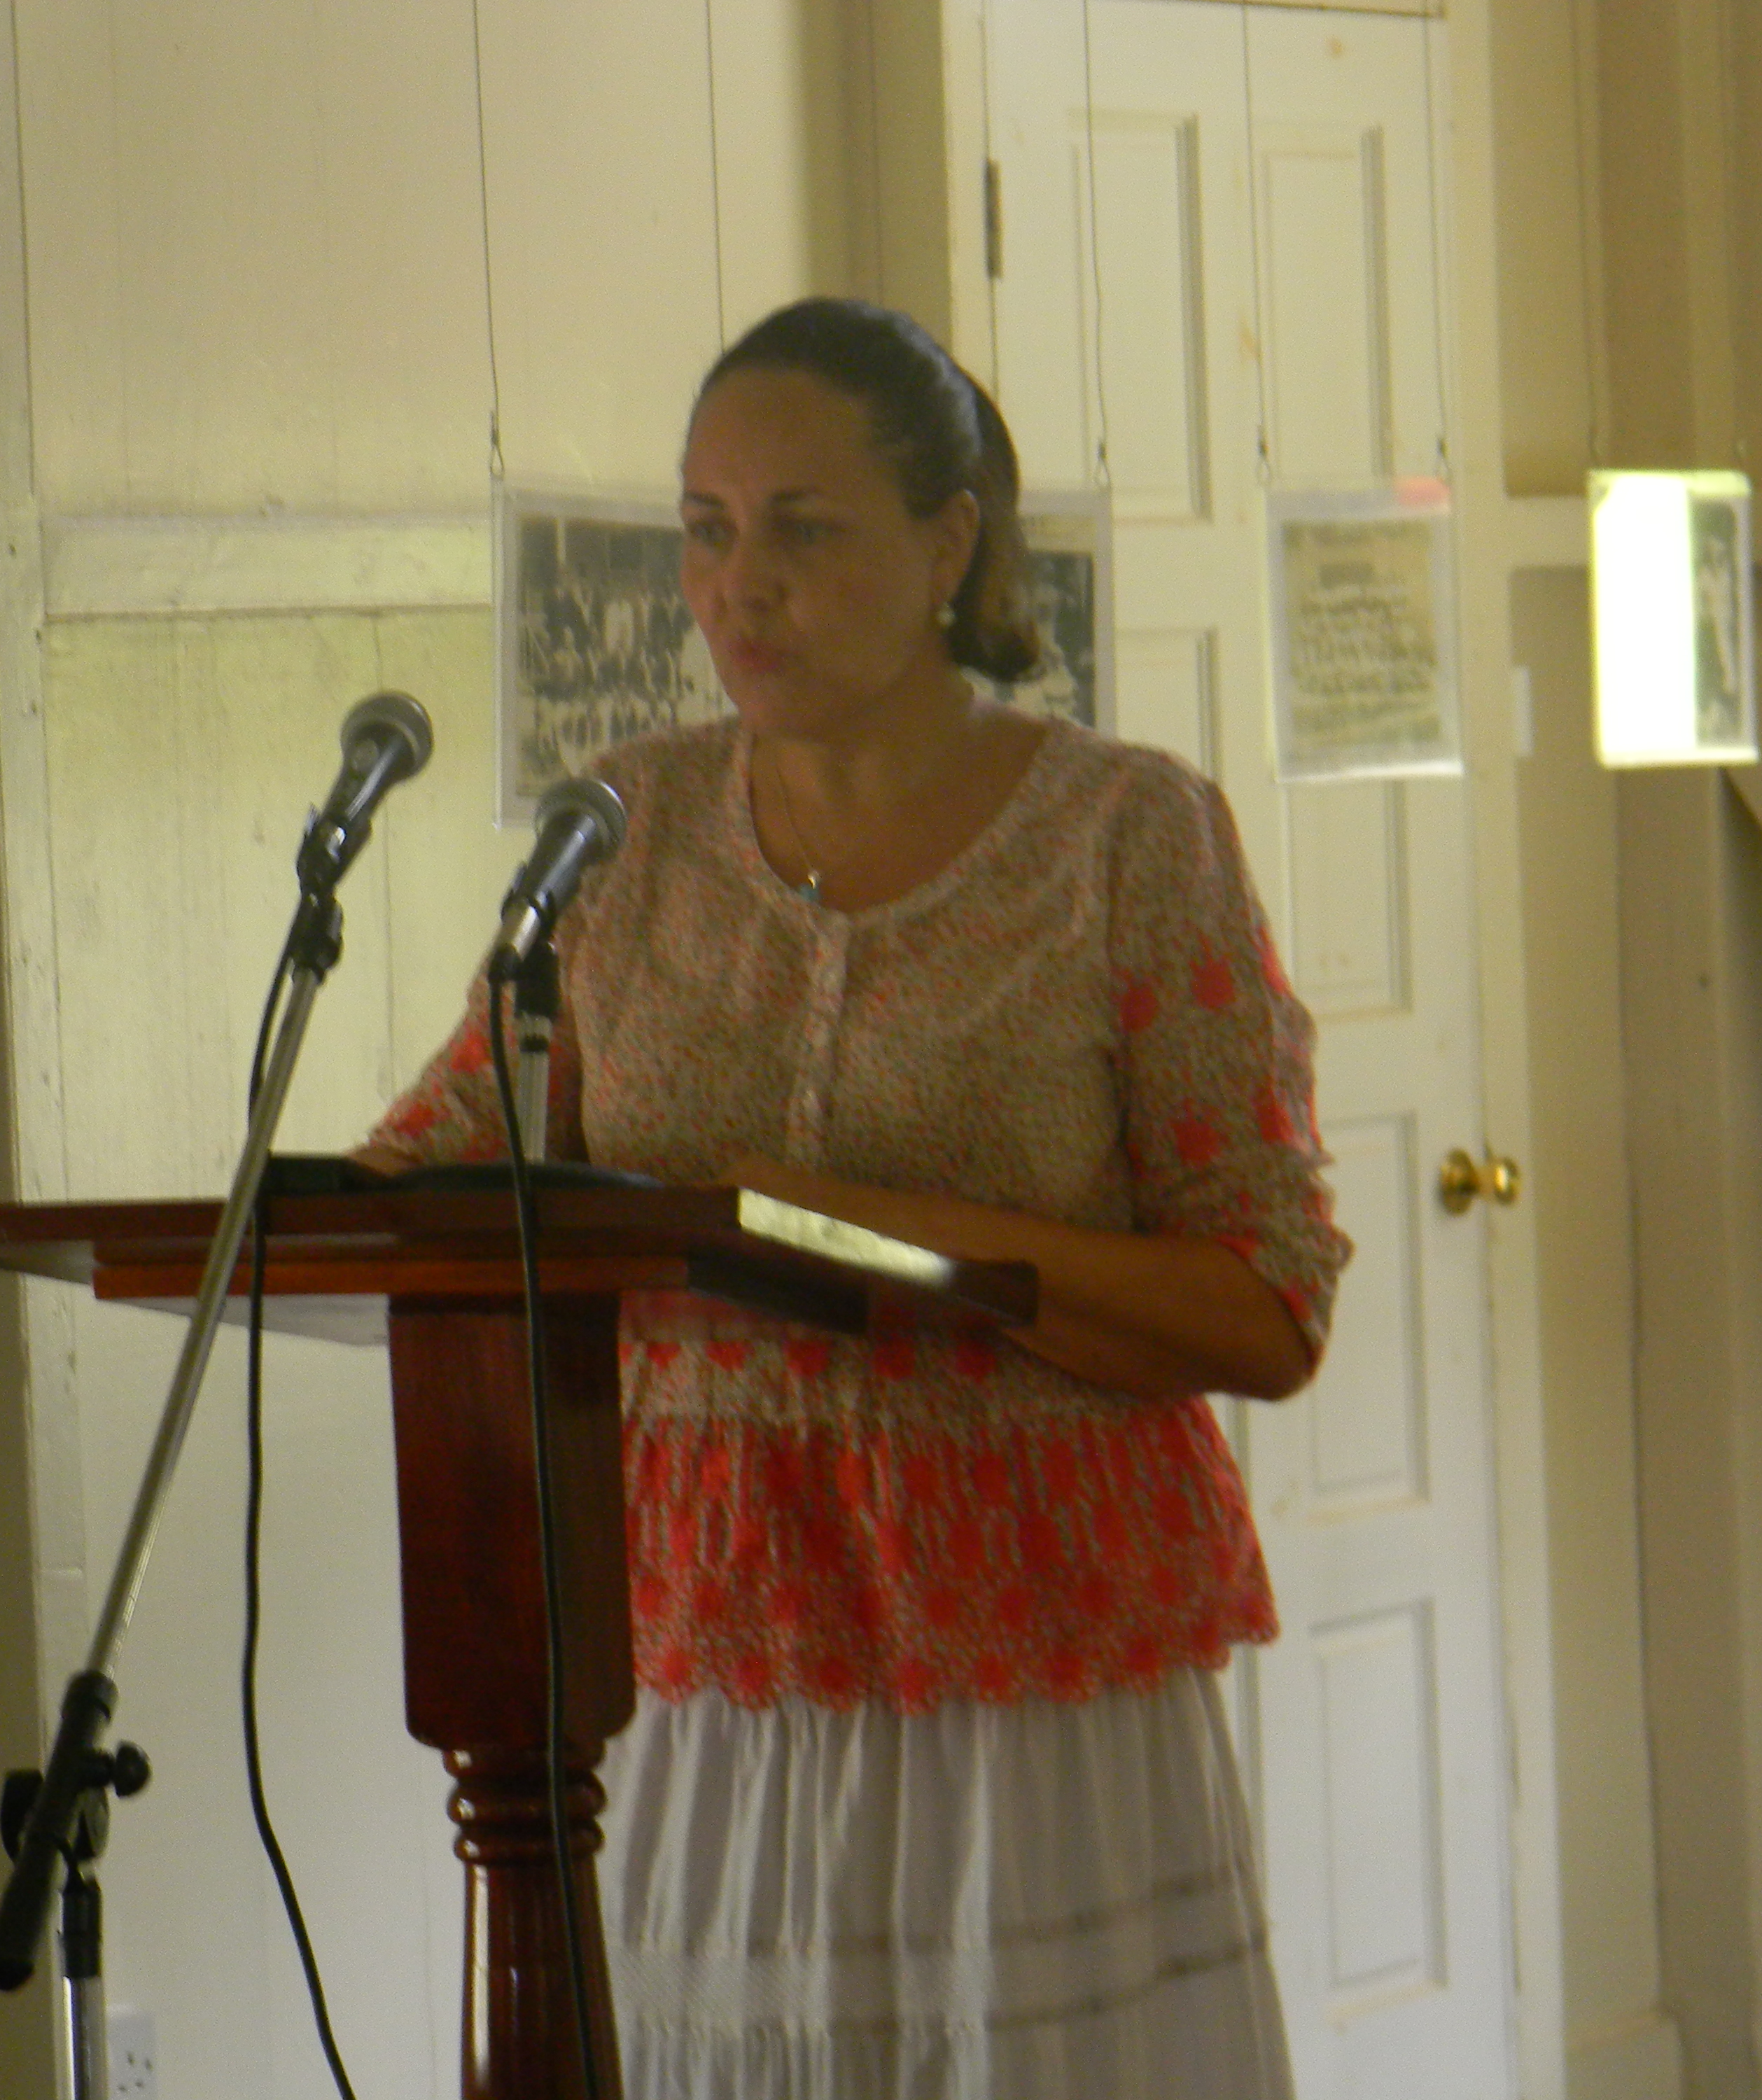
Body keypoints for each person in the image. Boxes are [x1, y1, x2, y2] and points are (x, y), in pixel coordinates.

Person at [356, 296, 1350, 2099]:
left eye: (801, 531)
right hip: (705, 1669)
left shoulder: (1127, 835)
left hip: (1031, 1685)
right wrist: (313, 1204)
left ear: (948, 543)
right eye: (705, 530)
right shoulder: (623, 825)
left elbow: (1266, 1304)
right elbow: (448, 1153)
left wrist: (868, 1227)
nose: (737, 589)